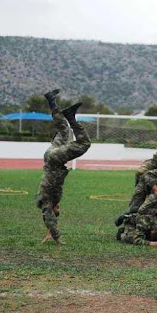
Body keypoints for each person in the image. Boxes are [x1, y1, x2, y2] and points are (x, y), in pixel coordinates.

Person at [35, 89, 91, 245]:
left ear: (53, 209)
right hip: (50, 154)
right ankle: (52, 101)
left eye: (56, 212)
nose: (58, 211)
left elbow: (48, 218)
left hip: (54, 159)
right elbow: (50, 217)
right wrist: (48, 235)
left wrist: (57, 237)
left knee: (84, 144)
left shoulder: (46, 198)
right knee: (64, 129)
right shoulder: (53, 197)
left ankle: (72, 117)